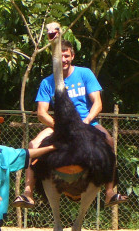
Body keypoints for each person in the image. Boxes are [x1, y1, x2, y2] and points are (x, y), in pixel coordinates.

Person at [12, 22, 128, 209]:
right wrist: (60, 127)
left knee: (109, 140)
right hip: (59, 125)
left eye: (66, 56)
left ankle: (109, 192)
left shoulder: (85, 74)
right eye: (60, 56)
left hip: (86, 123)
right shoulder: (47, 83)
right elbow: (41, 113)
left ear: (72, 56)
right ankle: (28, 193)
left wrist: (86, 121)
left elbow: (97, 103)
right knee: (33, 145)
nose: (64, 59)